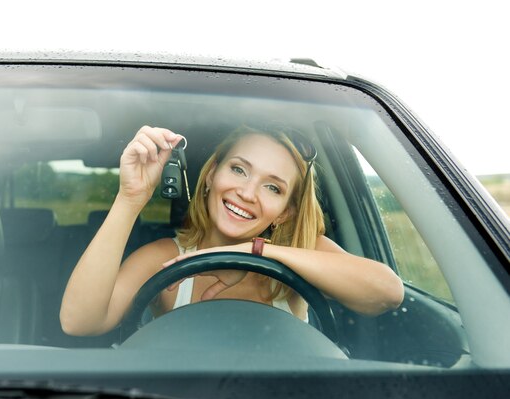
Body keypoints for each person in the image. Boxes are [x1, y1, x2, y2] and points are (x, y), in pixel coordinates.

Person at [60, 125, 404, 336]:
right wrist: (130, 198)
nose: (247, 193)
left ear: (286, 212)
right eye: (239, 170)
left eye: (273, 188)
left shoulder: (304, 251)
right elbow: (80, 322)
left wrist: (255, 251)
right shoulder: (166, 256)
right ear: (210, 176)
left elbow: (388, 293)